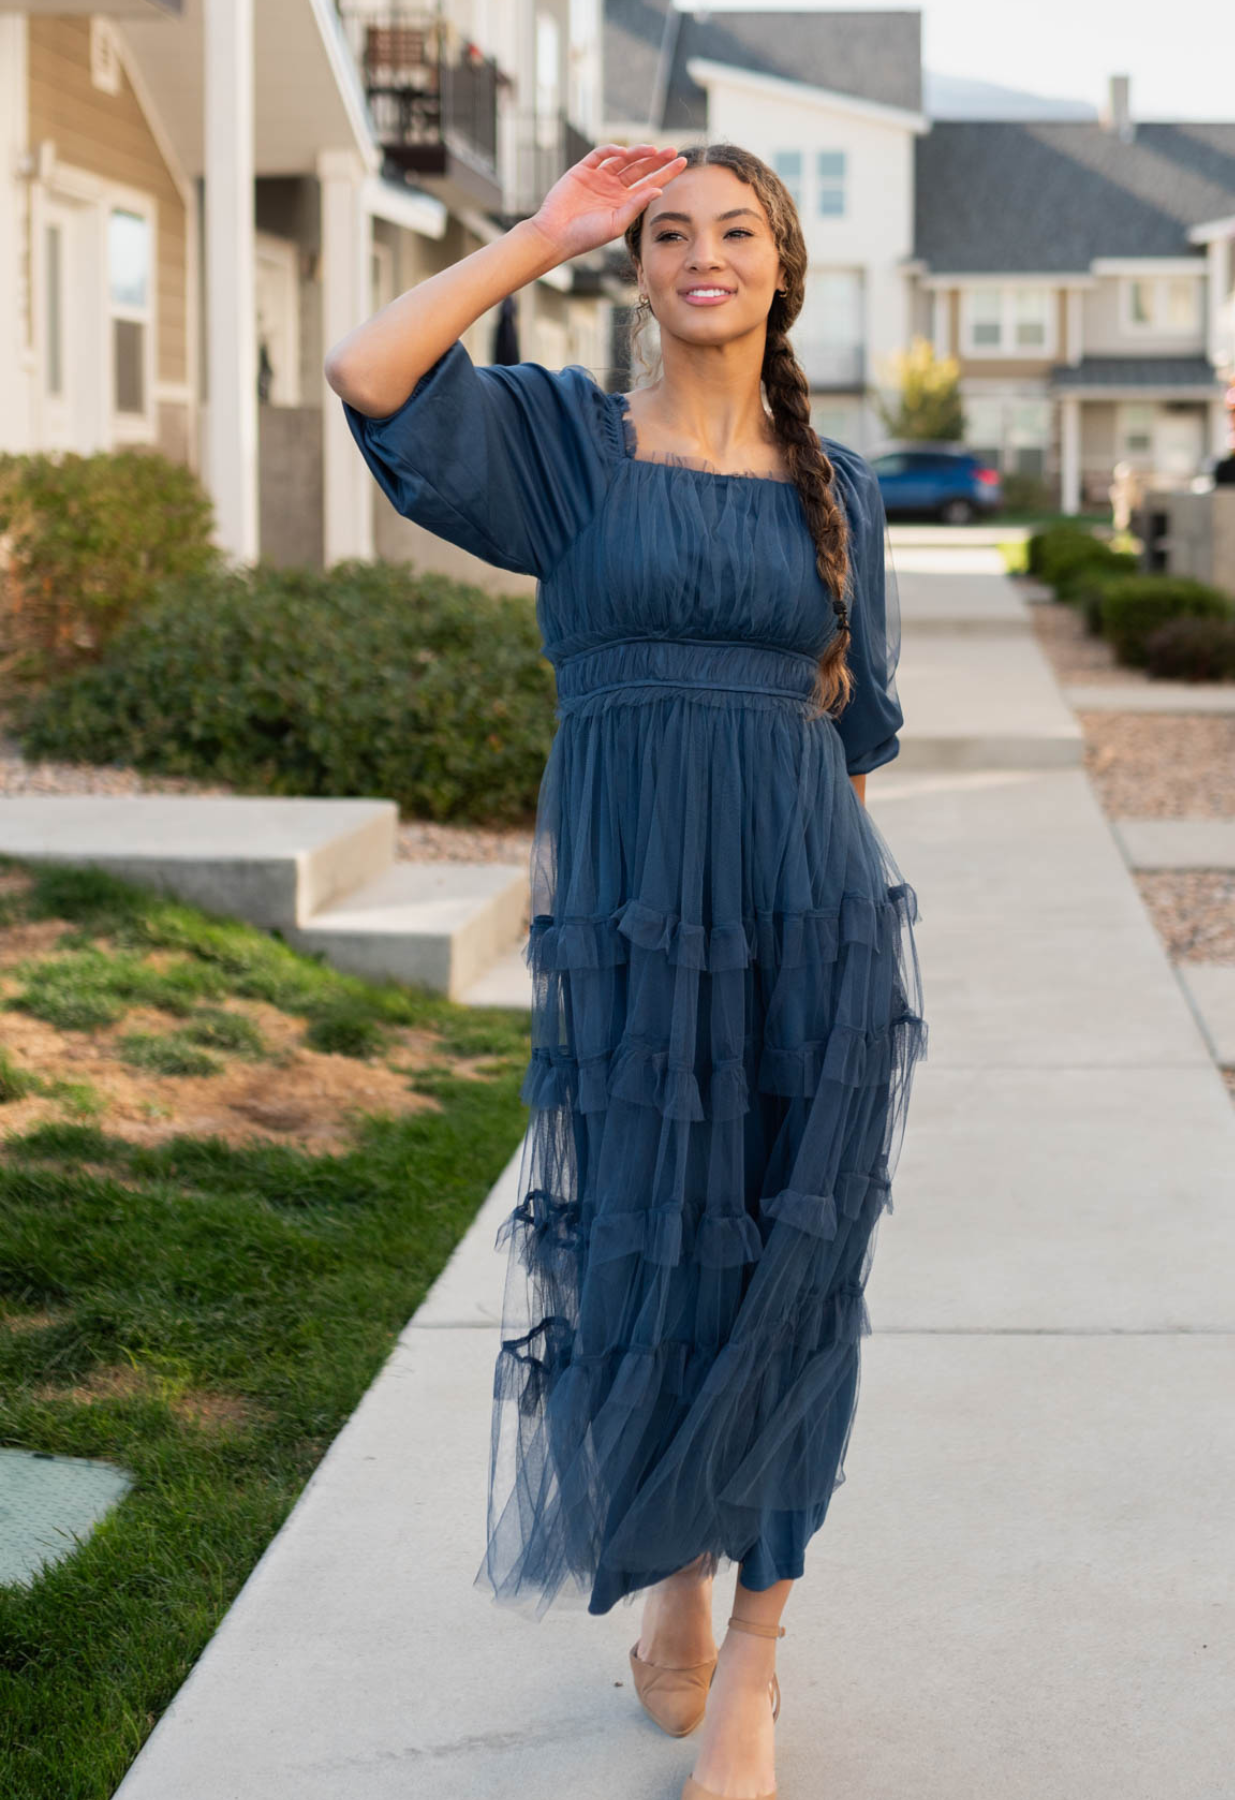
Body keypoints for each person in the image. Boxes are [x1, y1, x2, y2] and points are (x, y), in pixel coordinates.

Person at [325, 140, 927, 1800]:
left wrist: (853, 942)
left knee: (795, 1280)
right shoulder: (567, 444)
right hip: (638, 929)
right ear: (639, 268)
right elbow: (370, 371)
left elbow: (848, 747)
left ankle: (757, 1655)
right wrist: (542, 233)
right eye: (669, 233)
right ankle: (673, 1563)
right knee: (653, 1256)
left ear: (780, 267)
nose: (701, 254)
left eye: (736, 229)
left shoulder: (842, 493)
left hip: (811, 917)